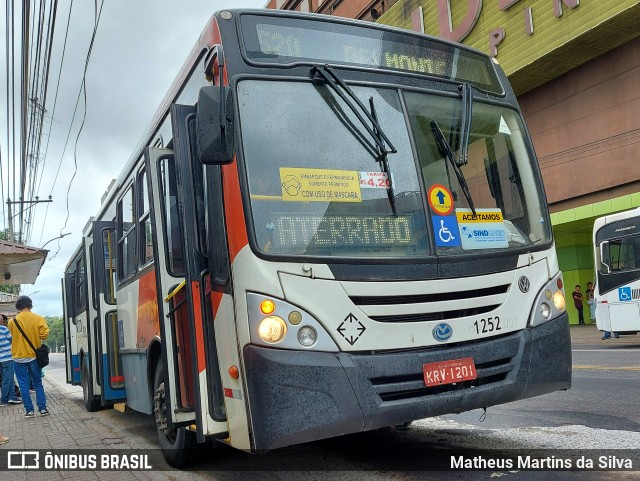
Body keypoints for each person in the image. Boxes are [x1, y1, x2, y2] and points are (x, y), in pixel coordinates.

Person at [7, 296, 50, 418]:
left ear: (18, 307)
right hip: (33, 356)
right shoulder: (38, 318)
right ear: (30, 305)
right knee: (37, 383)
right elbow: (44, 335)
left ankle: (29, 411)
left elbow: (12, 337)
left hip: (18, 357)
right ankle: (42, 409)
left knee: (23, 385)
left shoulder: (11, 322)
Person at [0, 314, 22, 406]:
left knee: (7, 379)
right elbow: (13, 340)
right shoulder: (4, 329)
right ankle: (4, 400)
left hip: (1, 359)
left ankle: (12, 397)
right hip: (7, 358)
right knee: (7, 379)